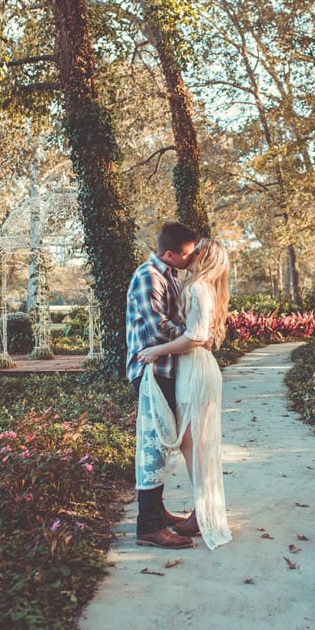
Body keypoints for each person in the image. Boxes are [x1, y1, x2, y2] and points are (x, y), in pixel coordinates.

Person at [137, 238, 233, 551]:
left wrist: (157, 351)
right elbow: (199, 335)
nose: (191, 252)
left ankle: (203, 515)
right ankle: (204, 512)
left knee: (194, 448)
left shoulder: (196, 287)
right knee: (196, 446)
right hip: (198, 368)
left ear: (203, 258)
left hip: (196, 370)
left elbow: (196, 336)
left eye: (198, 249)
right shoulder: (202, 287)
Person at [126, 220, 200, 549]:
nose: (191, 258)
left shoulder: (168, 275)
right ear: (169, 254)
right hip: (151, 372)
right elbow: (157, 327)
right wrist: (190, 337)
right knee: (153, 446)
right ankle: (149, 527)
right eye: (186, 254)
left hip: (164, 369)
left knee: (162, 442)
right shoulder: (148, 276)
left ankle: (156, 511)